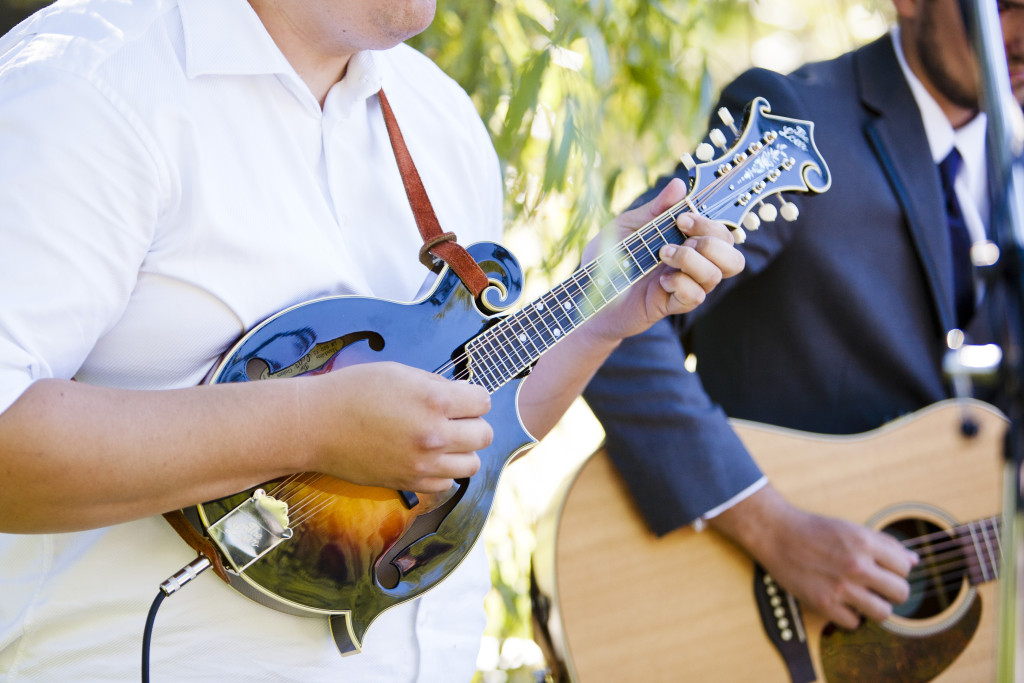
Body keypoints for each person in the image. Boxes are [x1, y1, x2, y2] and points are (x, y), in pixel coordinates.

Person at [0, 0, 744, 680]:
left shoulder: (441, 120)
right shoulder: (89, 87)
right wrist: (310, 426)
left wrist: (601, 315)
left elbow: (462, 437)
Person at [584, 0, 1024, 633]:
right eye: (1002, 6)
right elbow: (607, 310)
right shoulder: (795, 124)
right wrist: (770, 526)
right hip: (747, 625)